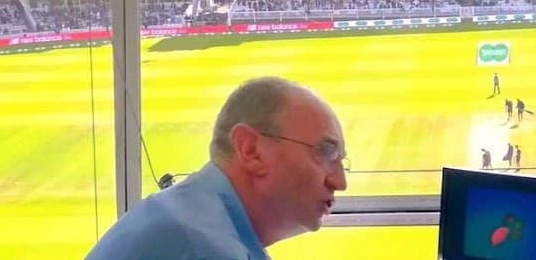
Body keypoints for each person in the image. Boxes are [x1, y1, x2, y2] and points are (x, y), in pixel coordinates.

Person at [86, 77, 349, 260]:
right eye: (325, 153)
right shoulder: (203, 246)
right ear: (251, 150)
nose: (340, 182)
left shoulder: (193, 214)